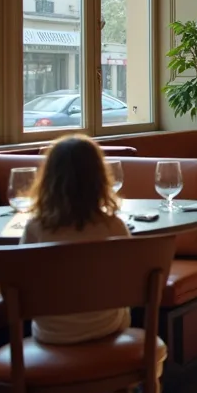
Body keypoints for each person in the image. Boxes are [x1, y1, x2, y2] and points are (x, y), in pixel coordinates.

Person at [20, 135, 131, 345]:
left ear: (47, 179)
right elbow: (129, 282)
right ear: (99, 178)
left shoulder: (35, 228)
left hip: (50, 333)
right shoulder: (113, 226)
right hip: (106, 326)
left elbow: (21, 284)